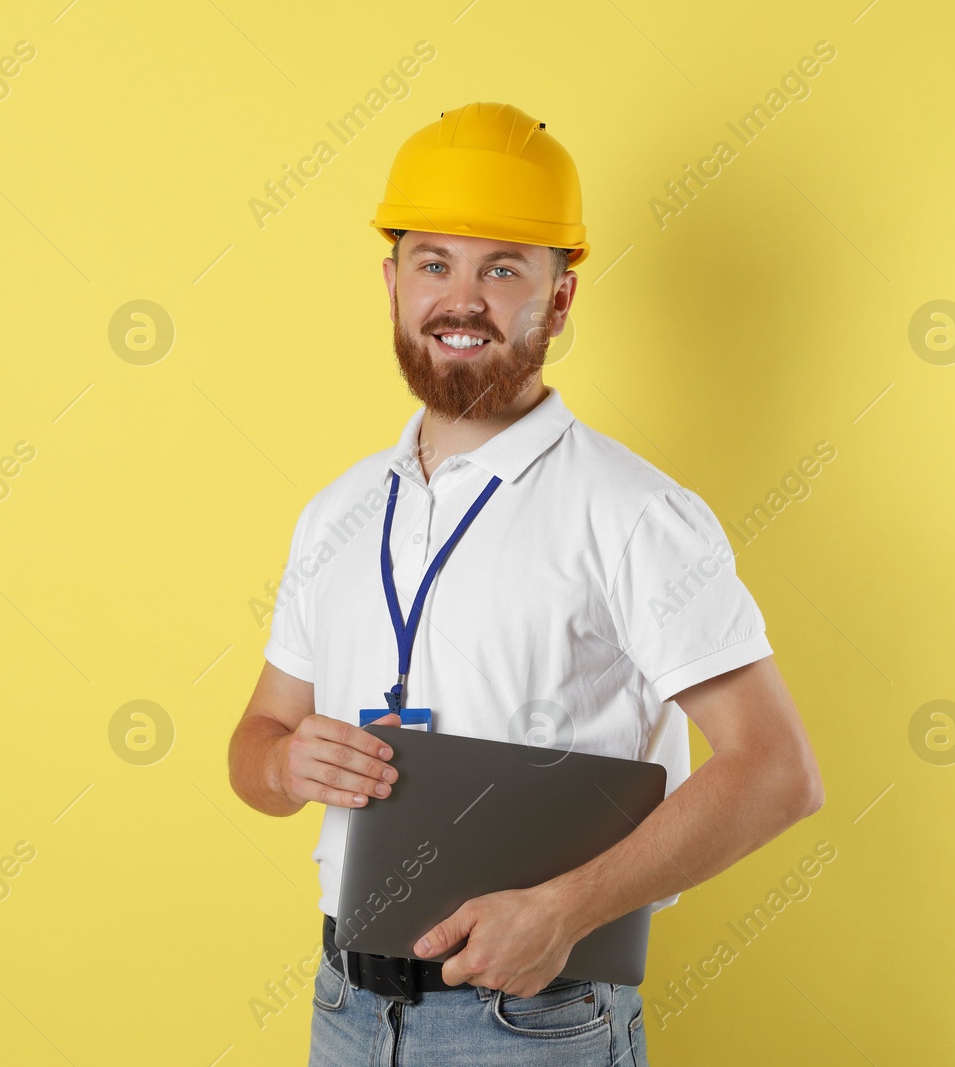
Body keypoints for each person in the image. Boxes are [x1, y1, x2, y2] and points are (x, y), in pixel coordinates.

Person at [226, 101, 824, 1066]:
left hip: (532, 1021)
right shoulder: (336, 512)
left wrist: (561, 910)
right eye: (434, 263)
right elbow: (255, 744)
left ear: (559, 296)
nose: (461, 300)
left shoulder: (631, 512)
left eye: (502, 268)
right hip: (344, 1007)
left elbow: (777, 769)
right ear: (391, 283)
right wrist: (285, 767)